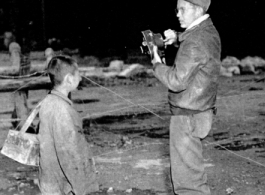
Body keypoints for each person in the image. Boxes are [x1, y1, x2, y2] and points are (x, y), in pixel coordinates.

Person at [151, 0, 221, 194]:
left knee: (188, 183)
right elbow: (196, 41)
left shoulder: (195, 42)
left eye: (183, 9)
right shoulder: (208, 31)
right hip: (200, 111)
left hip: (186, 117)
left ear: (197, 9)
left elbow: (176, 81)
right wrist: (177, 37)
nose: (177, 14)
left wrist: (156, 64)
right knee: (192, 173)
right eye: (177, 9)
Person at [38, 55, 99, 195]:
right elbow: (69, 153)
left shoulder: (48, 101)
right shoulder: (63, 111)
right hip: (64, 185)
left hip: (49, 180)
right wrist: (81, 187)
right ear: (69, 79)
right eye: (78, 75)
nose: (81, 78)